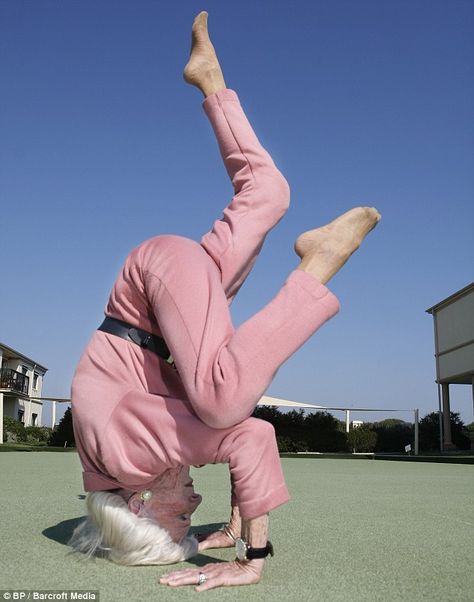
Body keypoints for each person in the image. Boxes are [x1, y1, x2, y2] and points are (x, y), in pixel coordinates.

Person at [69, 11, 381, 591]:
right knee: (267, 194)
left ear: (138, 504)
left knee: (222, 402)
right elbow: (199, 436)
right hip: (173, 300)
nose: (194, 503)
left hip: (156, 293)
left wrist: (252, 554)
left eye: (180, 515)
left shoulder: (129, 458)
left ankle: (319, 265)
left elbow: (246, 435)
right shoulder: (110, 469)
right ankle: (210, 79)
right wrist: (235, 512)